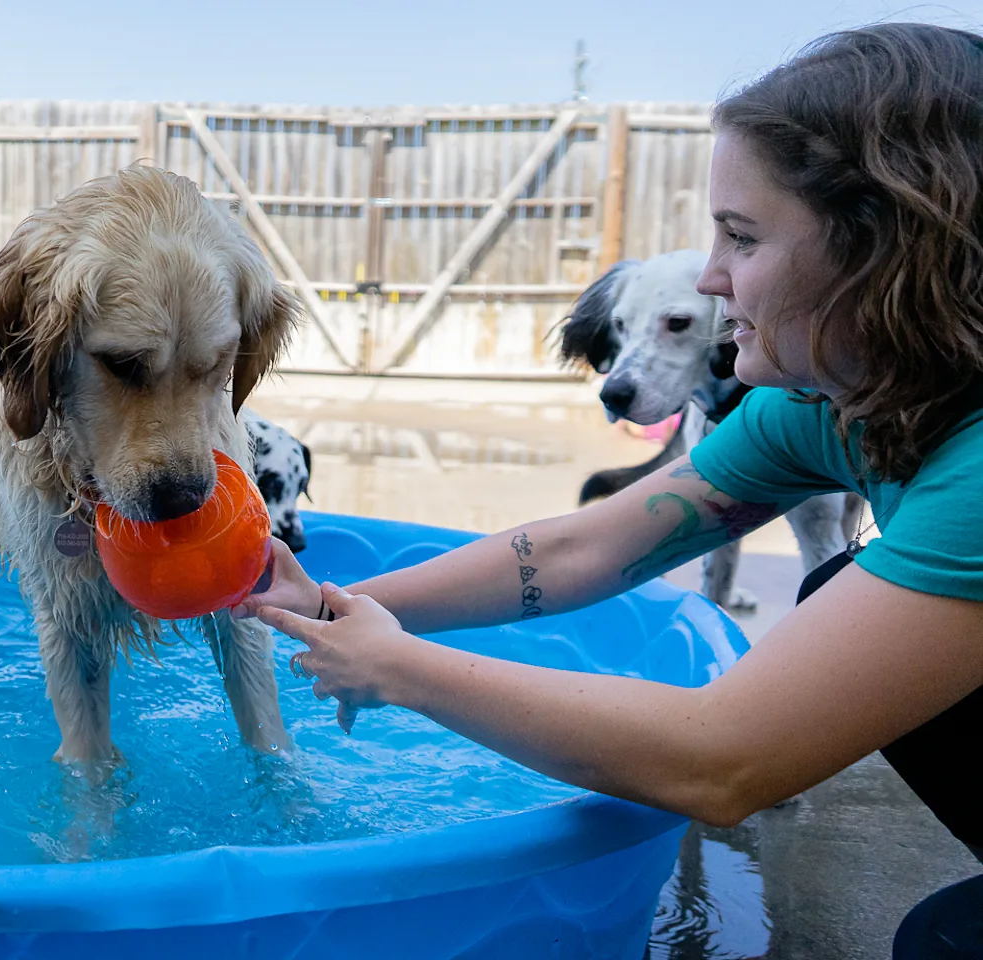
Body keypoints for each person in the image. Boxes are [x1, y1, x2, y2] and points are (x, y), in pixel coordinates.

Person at [235, 23, 983, 958]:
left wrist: (401, 670)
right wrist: (335, 605)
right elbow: (586, 547)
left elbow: (722, 761)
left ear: (885, 256)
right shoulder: (829, 404)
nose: (712, 275)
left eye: (742, 237)